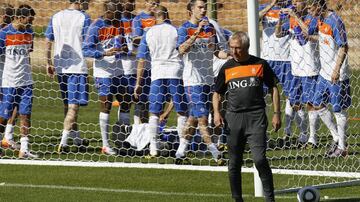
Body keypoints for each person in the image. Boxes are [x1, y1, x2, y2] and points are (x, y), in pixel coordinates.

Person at [213, 31, 280, 202]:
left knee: (259, 159)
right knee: (234, 162)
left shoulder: (260, 64)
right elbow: (217, 93)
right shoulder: (227, 67)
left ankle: (270, 199)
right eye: (231, 47)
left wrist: (276, 114)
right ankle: (237, 199)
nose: (234, 51)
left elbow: (273, 88)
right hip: (233, 119)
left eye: (238, 48)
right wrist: (216, 112)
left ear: (246, 47)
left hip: (256, 117)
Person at [276, 0, 339, 149]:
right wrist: (280, 19)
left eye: (299, 1)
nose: (296, 4)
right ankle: (303, 135)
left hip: (310, 68)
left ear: (306, 4)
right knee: (295, 102)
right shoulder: (290, 20)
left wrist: (296, 17)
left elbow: (310, 32)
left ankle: (314, 138)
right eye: (294, 1)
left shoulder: (314, 19)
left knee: (313, 104)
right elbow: (278, 34)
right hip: (295, 69)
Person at [174, 0, 229, 165]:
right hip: (192, 80)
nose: (204, 10)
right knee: (203, 118)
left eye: (205, 7)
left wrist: (231, 55)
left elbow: (216, 51)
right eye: (200, 7)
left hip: (208, 79)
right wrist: (196, 33)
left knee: (193, 118)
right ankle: (216, 154)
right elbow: (181, 50)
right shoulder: (184, 28)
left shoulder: (210, 28)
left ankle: (180, 153)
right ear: (191, 10)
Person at [134, 5, 187, 157]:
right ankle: (181, 148)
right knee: (181, 110)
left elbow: (142, 59)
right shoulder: (175, 30)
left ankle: (153, 148)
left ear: (155, 18)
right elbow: (183, 49)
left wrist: (138, 83)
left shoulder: (149, 33)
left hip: (157, 73)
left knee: (154, 111)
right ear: (167, 16)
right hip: (175, 72)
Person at [45, 0, 92, 153]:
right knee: (74, 106)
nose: (88, 4)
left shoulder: (56, 16)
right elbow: (88, 42)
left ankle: (77, 138)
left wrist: (48, 61)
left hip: (60, 67)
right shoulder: (84, 18)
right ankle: (63, 143)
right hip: (77, 68)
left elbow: (48, 39)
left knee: (68, 105)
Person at [306, 0, 351, 157]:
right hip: (324, 72)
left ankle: (342, 147)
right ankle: (337, 138)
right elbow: (320, 37)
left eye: (310, 8)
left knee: (338, 109)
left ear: (318, 6)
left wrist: (337, 70)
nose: (309, 12)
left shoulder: (335, 21)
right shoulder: (319, 20)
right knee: (317, 104)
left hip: (336, 73)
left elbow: (344, 46)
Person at [83, 0, 127, 155]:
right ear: (108, 12)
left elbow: (122, 43)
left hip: (119, 70)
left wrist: (125, 48)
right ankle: (106, 145)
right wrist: (103, 53)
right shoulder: (96, 26)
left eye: (120, 14)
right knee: (106, 106)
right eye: (116, 14)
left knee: (126, 102)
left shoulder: (119, 23)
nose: (119, 17)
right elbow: (86, 50)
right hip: (104, 73)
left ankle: (122, 140)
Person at [259, 0, 306, 145]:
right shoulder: (264, 9)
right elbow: (256, 18)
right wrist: (272, 5)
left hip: (286, 60)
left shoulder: (290, 11)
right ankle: (263, 135)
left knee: (295, 99)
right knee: (262, 99)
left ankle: (304, 136)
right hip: (267, 60)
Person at [0, 5, 38, 158]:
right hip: (10, 81)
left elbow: (27, 54)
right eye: (28, 20)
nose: (30, 23)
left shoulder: (29, 32)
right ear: (20, 18)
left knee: (25, 114)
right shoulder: (4, 33)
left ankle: (24, 149)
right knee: (4, 115)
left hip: (26, 81)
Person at [131, 0, 160, 124]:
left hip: (158, 64)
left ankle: (152, 129)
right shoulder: (139, 19)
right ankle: (139, 129)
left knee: (156, 99)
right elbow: (135, 39)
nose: (155, 6)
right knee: (141, 99)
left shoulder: (160, 18)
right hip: (144, 64)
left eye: (157, 3)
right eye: (152, 3)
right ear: (146, 3)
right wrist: (150, 34)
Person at [0, 3, 15, 152]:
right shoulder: (6, 32)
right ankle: (6, 137)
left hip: (8, 73)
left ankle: (7, 137)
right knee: (10, 105)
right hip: (6, 73)